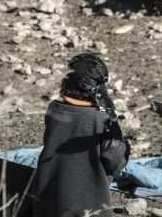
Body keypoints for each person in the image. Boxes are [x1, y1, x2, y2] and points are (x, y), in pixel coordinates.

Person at [33, 53, 130, 217]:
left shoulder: (54, 110)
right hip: (88, 208)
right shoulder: (101, 121)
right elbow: (115, 161)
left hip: (48, 203)